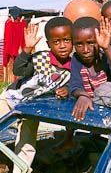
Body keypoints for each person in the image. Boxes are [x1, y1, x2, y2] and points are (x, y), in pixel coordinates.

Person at [0, 17, 73, 172]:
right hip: (10, 99)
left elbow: (72, 87)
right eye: (56, 42)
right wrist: (27, 49)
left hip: (32, 109)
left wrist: (66, 90)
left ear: (73, 41)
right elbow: (19, 70)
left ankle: (21, 170)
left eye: (66, 40)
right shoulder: (40, 58)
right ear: (49, 44)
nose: (62, 45)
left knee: (26, 144)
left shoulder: (72, 68)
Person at [69, 16, 111, 121]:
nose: (85, 50)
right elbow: (75, 84)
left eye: (91, 43)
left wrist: (107, 48)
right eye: (79, 44)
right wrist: (83, 95)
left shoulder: (108, 55)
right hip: (89, 107)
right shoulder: (76, 59)